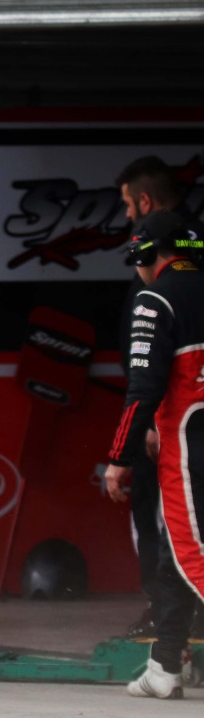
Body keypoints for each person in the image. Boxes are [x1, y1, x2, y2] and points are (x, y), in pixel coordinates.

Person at [104, 209, 204, 699]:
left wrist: (119, 457)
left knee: (191, 553)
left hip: (191, 448)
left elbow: (142, 388)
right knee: (174, 559)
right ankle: (166, 666)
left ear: (147, 253)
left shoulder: (155, 298)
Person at [111, 156, 196, 636]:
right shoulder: (191, 252)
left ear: (144, 202)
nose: (126, 217)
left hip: (173, 421)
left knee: (164, 520)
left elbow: (151, 366)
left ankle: (167, 625)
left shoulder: (157, 262)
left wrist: (144, 424)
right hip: (185, 417)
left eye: (127, 205)